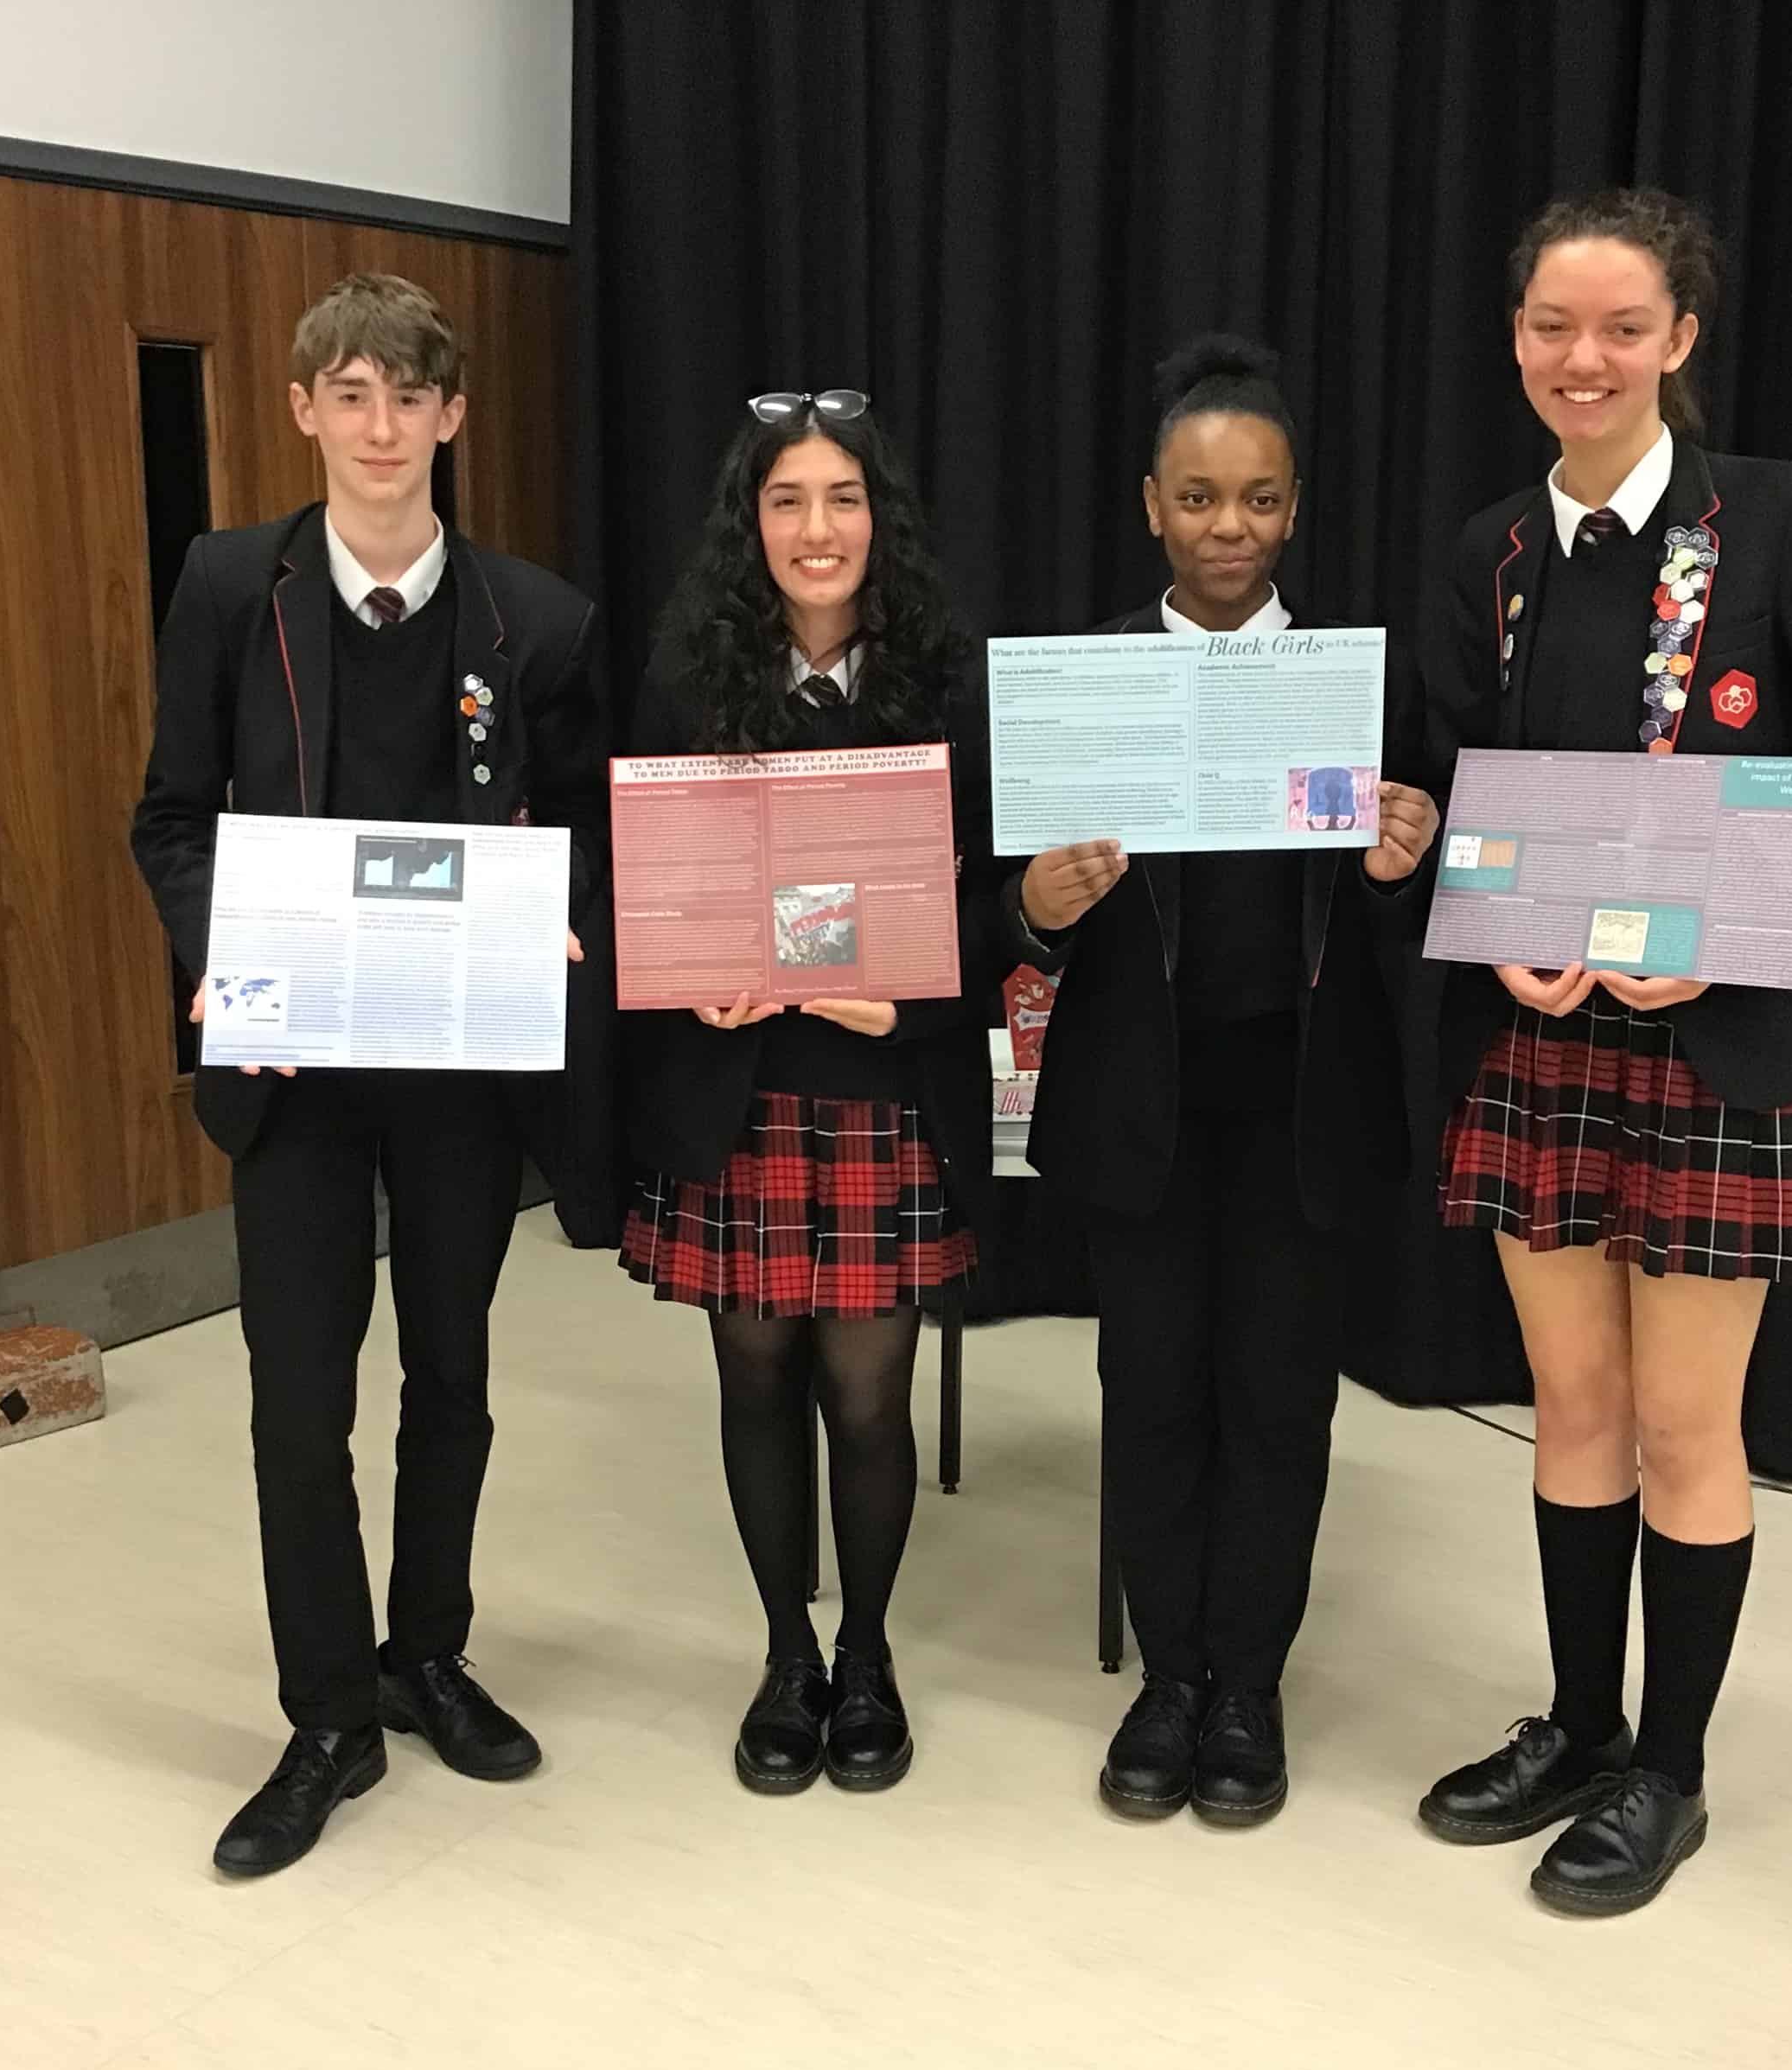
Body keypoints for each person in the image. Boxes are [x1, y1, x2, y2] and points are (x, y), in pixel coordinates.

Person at [1413, 191, 1792, 1913]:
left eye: (1621, 327)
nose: (1585, 358)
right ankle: (1573, 1723)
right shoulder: (1492, 550)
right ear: (1517, 341)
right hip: (1549, 1046)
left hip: (1724, 1057)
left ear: (1680, 341)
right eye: (1554, 326)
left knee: (1689, 1428)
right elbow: (1478, 786)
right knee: (1570, 1405)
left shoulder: (1775, 524)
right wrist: (1476, 897)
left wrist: (1715, 937)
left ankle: (1671, 1770)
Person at [131, 273, 609, 1876]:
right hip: (297, 1069)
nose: (380, 427)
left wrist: (563, 921)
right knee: (296, 1401)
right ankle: (329, 1712)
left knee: (455, 1379)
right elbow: (172, 814)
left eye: (409, 397)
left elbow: (587, 829)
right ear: (303, 411)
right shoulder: (224, 587)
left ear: (451, 417)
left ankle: (428, 1654)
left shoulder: (534, 623)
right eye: (349, 393)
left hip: (460, 1070)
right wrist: (215, 958)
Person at [1008, 336, 1436, 1828]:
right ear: (1150, 505)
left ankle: (1247, 1681)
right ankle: (1165, 1676)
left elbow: (1402, 922)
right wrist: (1039, 905)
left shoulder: (1349, 687)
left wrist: (1395, 874)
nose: (1228, 527)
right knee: (1153, 1392)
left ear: (1295, 507)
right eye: (1199, 498)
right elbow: (1019, 903)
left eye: (1257, 499)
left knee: (1279, 1400)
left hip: (1301, 1114)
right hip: (1146, 1109)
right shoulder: (1095, 682)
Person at [618, 392, 995, 1795]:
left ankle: (872, 1657)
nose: (817, 528)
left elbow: (996, 903)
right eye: (788, 501)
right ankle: (787, 1654)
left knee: (871, 1396)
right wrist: (685, 972)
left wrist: (914, 994)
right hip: (742, 1084)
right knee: (753, 1377)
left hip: (886, 1082)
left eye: (843, 499)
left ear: (877, 520)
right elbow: (641, 871)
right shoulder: (688, 671)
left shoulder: (944, 682)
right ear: (752, 525)